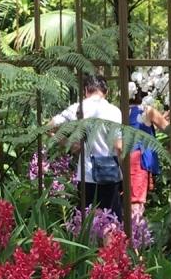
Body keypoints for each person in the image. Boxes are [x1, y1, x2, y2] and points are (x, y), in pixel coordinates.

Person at [50, 75, 125, 221]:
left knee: (87, 220)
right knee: (111, 221)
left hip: (87, 175)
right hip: (111, 175)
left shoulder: (78, 108)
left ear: (85, 90)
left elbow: (50, 126)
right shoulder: (114, 111)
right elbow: (119, 146)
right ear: (106, 92)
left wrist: (68, 143)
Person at [125, 98, 169, 223]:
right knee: (136, 203)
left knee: (127, 201)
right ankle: (135, 232)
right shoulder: (147, 110)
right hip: (138, 160)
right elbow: (169, 129)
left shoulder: (121, 111)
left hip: (123, 158)